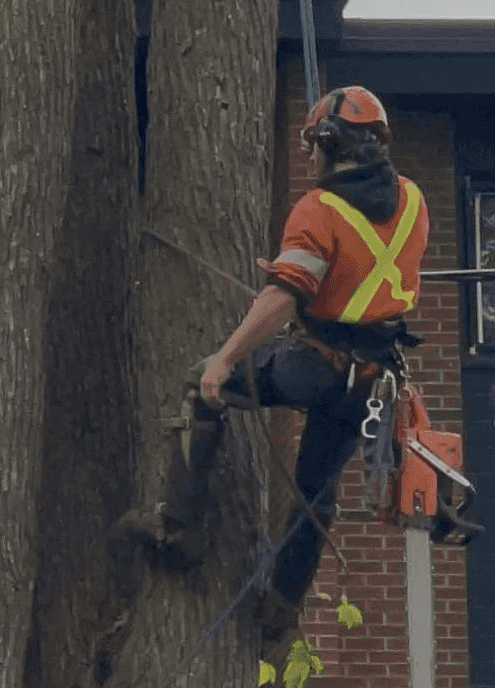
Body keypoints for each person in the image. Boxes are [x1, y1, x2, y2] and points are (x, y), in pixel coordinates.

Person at [114, 86, 429, 660]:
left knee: (200, 385)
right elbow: (366, 281)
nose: (309, 157)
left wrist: (226, 357)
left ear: (330, 142)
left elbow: (285, 298)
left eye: (312, 146)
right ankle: (281, 608)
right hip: (370, 383)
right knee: (315, 494)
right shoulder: (413, 200)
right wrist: (294, 277)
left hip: (316, 367)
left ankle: (178, 528)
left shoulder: (317, 209)